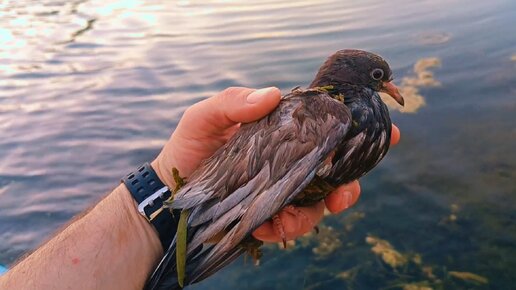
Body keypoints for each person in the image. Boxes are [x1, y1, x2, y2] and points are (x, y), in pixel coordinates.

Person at [0, 87, 400, 290]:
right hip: (209, 204)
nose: (391, 90)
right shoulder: (320, 111)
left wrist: (154, 205)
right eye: (381, 80)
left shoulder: (346, 117)